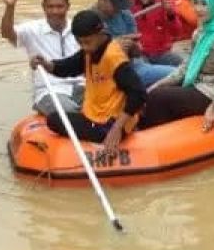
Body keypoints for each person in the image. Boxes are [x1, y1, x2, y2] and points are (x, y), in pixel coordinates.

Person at [29, 10, 146, 157]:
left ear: (100, 33)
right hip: (97, 115)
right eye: (80, 42)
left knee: (54, 120)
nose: (84, 47)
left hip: (109, 123)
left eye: (87, 42)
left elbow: (139, 93)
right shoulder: (91, 50)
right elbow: (70, 66)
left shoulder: (113, 57)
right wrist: (46, 64)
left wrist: (117, 128)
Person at [141, 0, 214, 131]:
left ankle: (149, 137)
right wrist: (160, 83)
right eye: (196, 3)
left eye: (204, 4)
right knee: (153, 91)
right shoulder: (201, 32)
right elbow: (187, 66)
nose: (198, 9)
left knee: (158, 98)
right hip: (198, 82)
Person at [0, 0, 84, 116]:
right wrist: (10, 7)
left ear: (68, 6)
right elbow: (7, 33)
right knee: (70, 113)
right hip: (50, 91)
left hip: (81, 87)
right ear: (43, 7)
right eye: (50, 7)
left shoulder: (80, 28)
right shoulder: (32, 29)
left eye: (59, 6)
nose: (55, 11)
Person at [97, 0, 175, 88]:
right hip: (110, 72)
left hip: (135, 65)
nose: (119, 9)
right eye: (115, 5)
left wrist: (134, 46)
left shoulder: (125, 13)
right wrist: (115, 45)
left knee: (178, 73)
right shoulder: (91, 19)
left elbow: (137, 50)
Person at [129, 0, 197, 67]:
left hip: (162, 54)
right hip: (138, 54)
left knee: (187, 68)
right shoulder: (127, 1)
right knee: (141, 69)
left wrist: (171, 14)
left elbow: (176, 32)